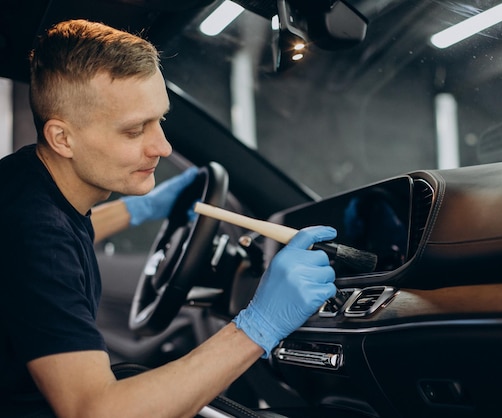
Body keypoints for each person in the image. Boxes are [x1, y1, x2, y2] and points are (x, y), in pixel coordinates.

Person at [0, 19, 337, 417]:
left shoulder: (23, 183)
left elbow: (60, 238)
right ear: (62, 138)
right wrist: (255, 328)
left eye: (159, 119)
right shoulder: (34, 235)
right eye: (133, 131)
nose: (162, 145)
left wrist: (138, 209)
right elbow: (94, 412)